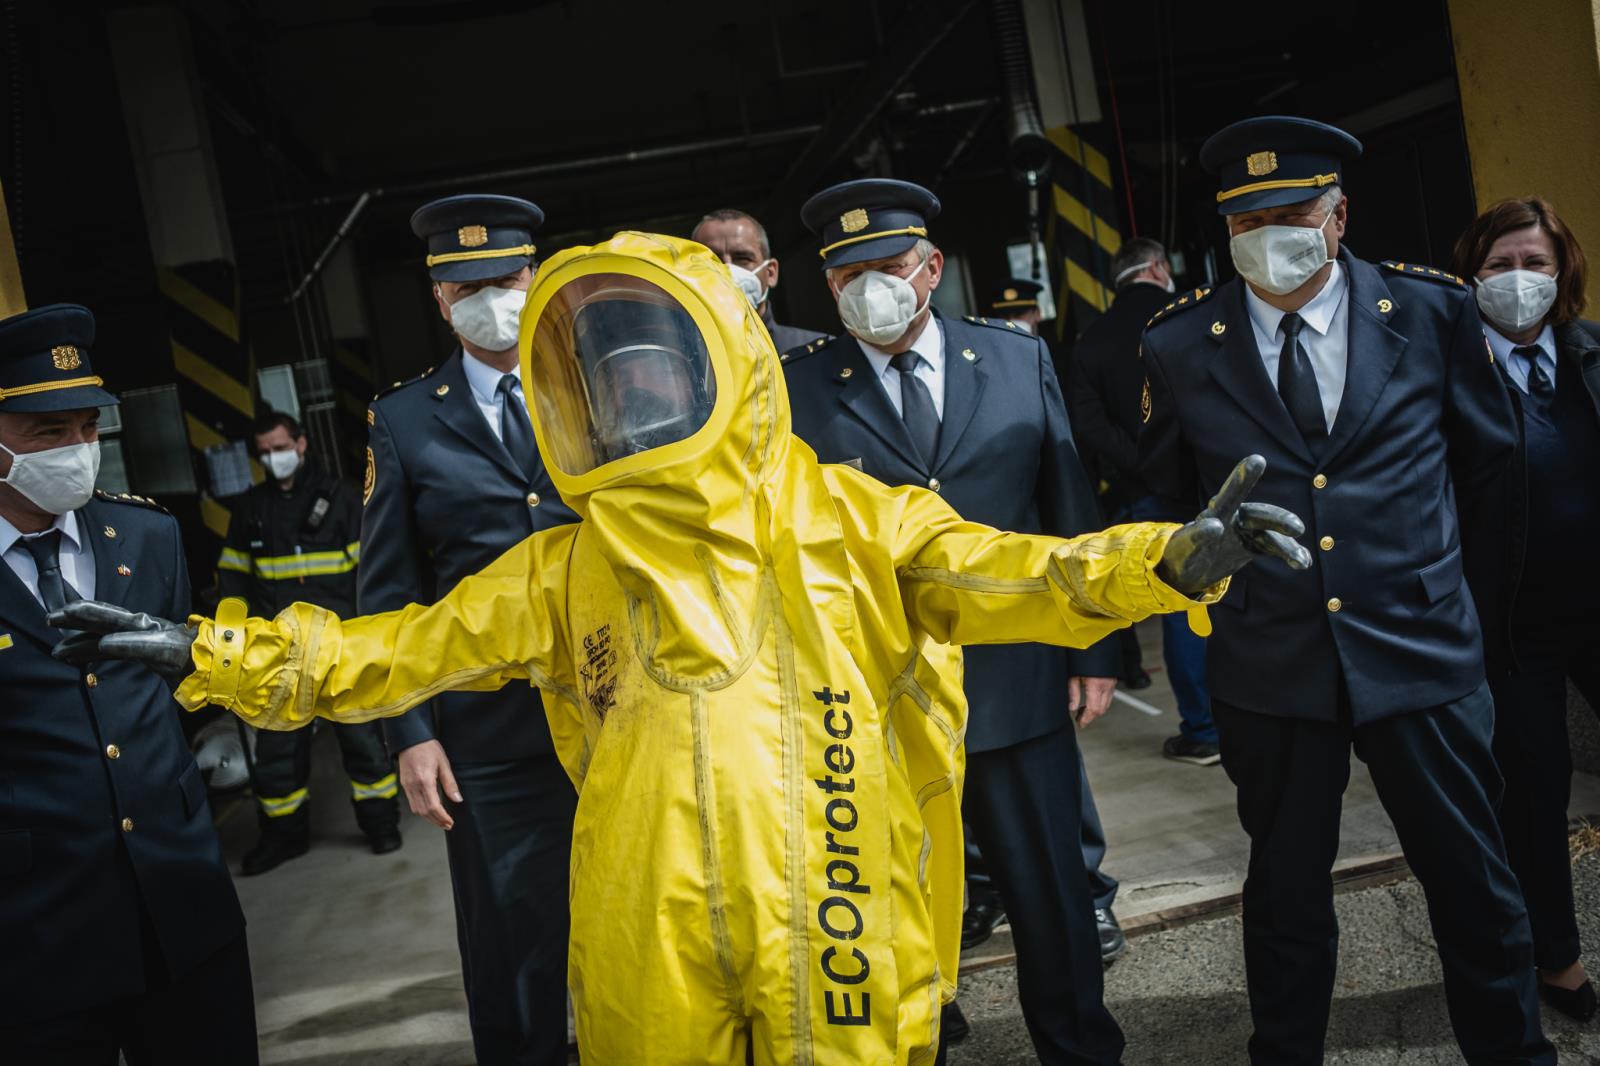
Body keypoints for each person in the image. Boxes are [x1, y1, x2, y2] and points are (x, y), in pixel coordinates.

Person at [51, 231, 1309, 1065]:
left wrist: (1162, 560)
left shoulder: (846, 518)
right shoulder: (569, 564)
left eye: (655, 376)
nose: (631, 405)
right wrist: (209, 651)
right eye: (608, 389)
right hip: (641, 919)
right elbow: (392, 653)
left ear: (725, 368)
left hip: (832, 896)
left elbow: (1016, 568)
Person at [1139, 115, 1553, 1064]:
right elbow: (1162, 503)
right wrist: (1181, 560)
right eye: (1246, 221)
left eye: (1290, 213)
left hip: (1421, 651)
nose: (1267, 238)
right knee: (1284, 891)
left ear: (1338, 217)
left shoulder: (1432, 313)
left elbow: (1493, 473)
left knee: (1473, 882)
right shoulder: (1179, 344)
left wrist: (1462, 609)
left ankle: (1514, 1052)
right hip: (1270, 667)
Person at [782, 178, 1125, 1062]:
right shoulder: (795, 389)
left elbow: (1067, 506)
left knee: (1051, 892)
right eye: (848, 272)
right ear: (826, 284)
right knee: (897, 897)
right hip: (878, 698)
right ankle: (919, 1042)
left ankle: (1080, 1046)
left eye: (889, 266)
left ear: (931, 267)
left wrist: (1095, 643)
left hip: (1014, 677)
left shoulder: (1013, 358)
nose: (871, 286)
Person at [0, 304, 257, 1063]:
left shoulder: (148, 535)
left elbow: (175, 690)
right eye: (48, 434)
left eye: (87, 428)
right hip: (37, 932)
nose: (76, 450)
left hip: (185, 901)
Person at [362, 193, 580, 1065]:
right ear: (441, 300)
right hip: (490, 737)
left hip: (618, 708)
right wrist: (411, 732)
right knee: (513, 945)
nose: (496, 298)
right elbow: (390, 593)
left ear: (536, 275)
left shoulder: (594, 381)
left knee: (650, 921)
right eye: (471, 286)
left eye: (510, 277)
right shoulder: (406, 420)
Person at [1453, 197, 1600, 1021]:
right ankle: (1558, 960)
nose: (1518, 281)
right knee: (1536, 797)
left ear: (1562, 270)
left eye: (1534, 264)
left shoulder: (1593, 353)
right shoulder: (1451, 376)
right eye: (1499, 266)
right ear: (1472, 277)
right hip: (1512, 626)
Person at [217, 409, 400, 874]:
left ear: (300, 444)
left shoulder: (342, 499)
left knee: (365, 744)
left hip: (343, 649)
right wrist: (231, 643)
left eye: (280, 448)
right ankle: (283, 838)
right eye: (265, 452)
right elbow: (233, 580)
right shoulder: (250, 509)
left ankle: (382, 825)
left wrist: (377, 638)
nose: (273, 458)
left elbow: (373, 575)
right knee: (278, 757)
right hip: (276, 656)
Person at [1070, 238, 1217, 765]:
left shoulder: (1091, 342)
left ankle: (1203, 732)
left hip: (1146, 494)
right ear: (1158, 267)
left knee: (1179, 605)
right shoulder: (1198, 312)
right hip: (1213, 482)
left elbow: (1088, 424)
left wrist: (1141, 461)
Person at [691, 207, 827, 353]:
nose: (727, 271)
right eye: (712, 259)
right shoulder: (678, 356)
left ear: (771, 273)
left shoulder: (818, 352)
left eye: (742, 258)